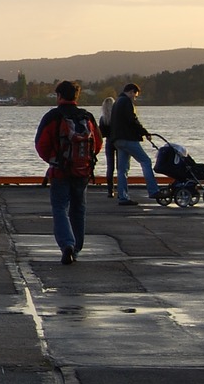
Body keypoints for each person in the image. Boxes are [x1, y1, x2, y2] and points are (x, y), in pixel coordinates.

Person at [35, 80, 100, 264]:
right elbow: (98, 142)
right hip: (83, 171)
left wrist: (53, 160)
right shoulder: (87, 117)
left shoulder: (53, 117)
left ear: (59, 96)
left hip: (60, 172)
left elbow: (41, 144)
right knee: (79, 209)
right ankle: (77, 248)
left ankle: (67, 245)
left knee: (59, 208)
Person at [109, 83, 160, 206]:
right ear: (131, 92)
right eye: (135, 96)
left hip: (117, 140)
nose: (134, 98)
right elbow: (132, 120)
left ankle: (123, 197)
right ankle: (153, 191)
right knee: (146, 161)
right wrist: (145, 132)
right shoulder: (126, 102)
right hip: (128, 139)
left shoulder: (117, 102)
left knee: (122, 170)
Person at [98, 95, 116, 196]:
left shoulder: (103, 119)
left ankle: (110, 190)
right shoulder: (117, 118)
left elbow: (102, 134)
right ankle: (122, 188)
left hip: (109, 142)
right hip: (119, 142)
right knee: (121, 167)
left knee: (110, 167)